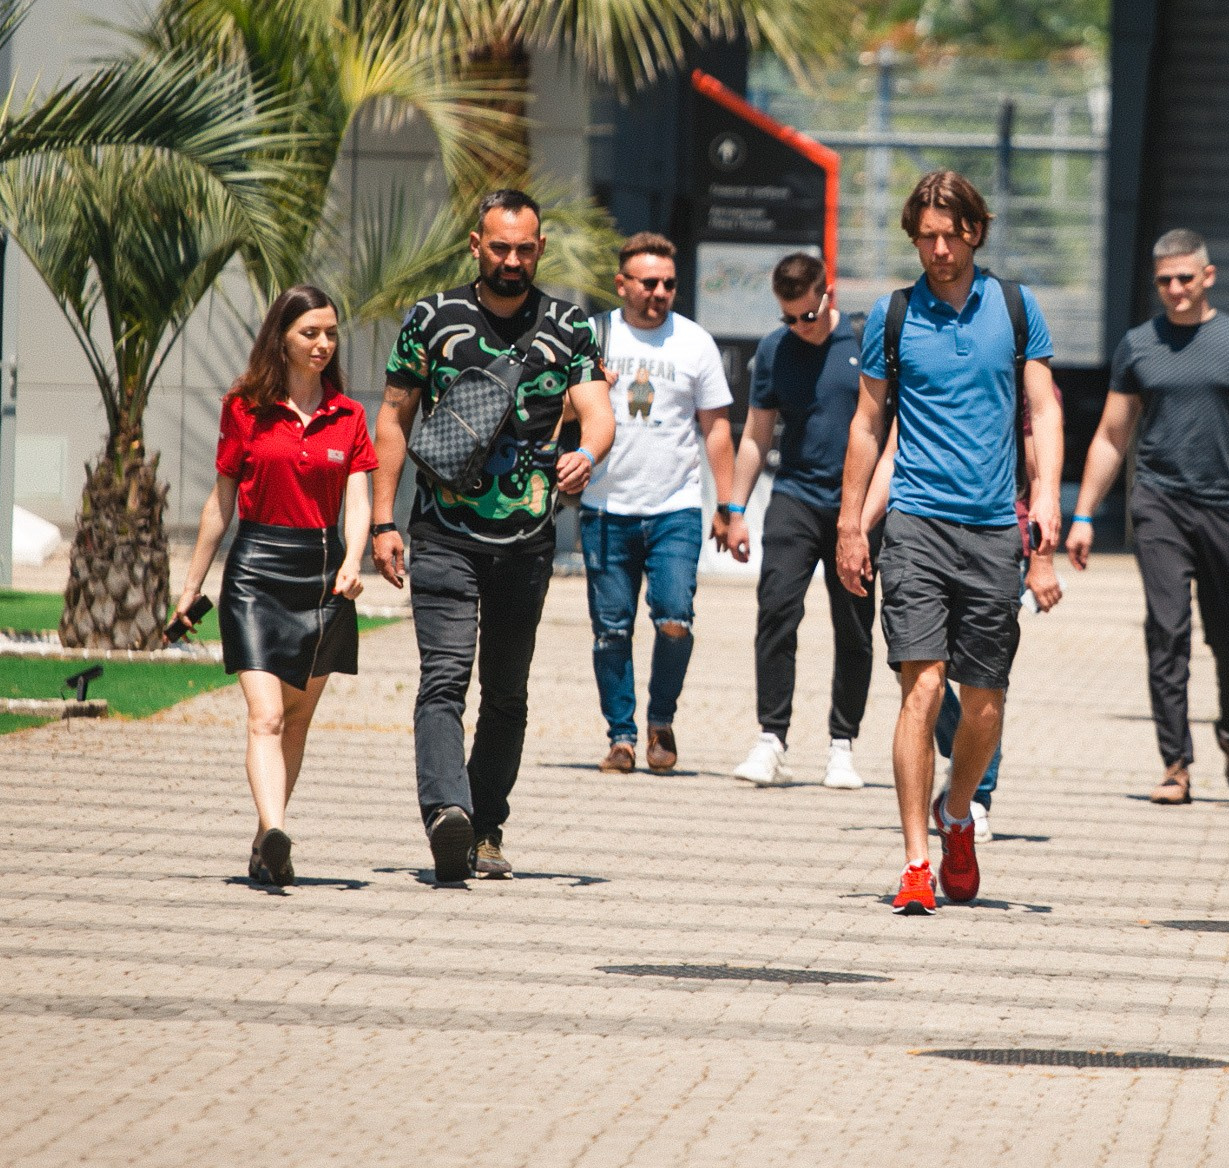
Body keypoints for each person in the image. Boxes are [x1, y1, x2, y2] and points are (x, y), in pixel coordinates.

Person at [838, 171, 1063, 915]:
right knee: (921, 687)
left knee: (984, 702)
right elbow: (869, 424)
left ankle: (956, 812)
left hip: (996, 527)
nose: (937, 249)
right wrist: (851, 524)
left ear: (975, 230)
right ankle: (914, 860)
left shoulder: (1016, 307)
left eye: (949, 234)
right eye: (924, 236)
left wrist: (1049, 499)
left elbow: (1043, 409)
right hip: (916, 525)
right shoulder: (893, 315)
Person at [372, 190, 612, 885]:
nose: (512, 260)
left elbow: (598, 412)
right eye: (499, 247)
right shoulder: (433, 317)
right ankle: (448, 810)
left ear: (540, 248)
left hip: (529, 536)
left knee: (506, 690)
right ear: (476, 244)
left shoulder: (569, 326)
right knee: (444, 677)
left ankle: (485, 823)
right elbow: (393, 416)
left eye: (525, 248)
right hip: (443, 530)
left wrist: (585, 455)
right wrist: (384, 520)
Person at [1066, 228, 1229, 804]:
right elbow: (1111, 434)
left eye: (1184, 278)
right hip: (1159, 504)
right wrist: (1082, 515)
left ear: (1207, 276)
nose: (1174, 290)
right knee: (1167, 631)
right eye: (1164, 281)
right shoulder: (1137, 346)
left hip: (1226, 506)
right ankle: (1175, 763)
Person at [176, 284, 373, 889]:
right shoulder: (245, 407)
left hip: (323, 577)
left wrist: (354, 559)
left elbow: (359, 498)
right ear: (280, 337)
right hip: (257, 573)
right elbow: (220, 503)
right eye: (309, 332)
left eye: (330, 333)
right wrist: (190, 587)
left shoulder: (350, 414)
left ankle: (266, 842)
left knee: (295, 719)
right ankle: (278, 827)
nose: (321, 344)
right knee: (264, 714)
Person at [582, 233, 734, 775]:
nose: (660, 292)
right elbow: (560, 407)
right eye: (649, 283)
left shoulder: (694, 343)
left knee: (675, 617)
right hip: (604, 508)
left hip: (675, 509)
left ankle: (660, 719)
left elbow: (716, 429)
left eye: (668, 283)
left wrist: (729, 507)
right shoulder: (593, 337)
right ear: (622, 284)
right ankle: (621, 736)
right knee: (611, 629)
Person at [723, 252, 871, 792]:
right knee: (777, 610)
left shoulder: (863, 342)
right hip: (794, 496)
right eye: (788, 318)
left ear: (827, 296)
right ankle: (771, 739)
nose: (798, 329)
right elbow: (757, 435)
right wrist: (735, 510)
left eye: (807, 317)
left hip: (855, 505)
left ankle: (842, 746)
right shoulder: (775, 348)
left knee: (853, 624)